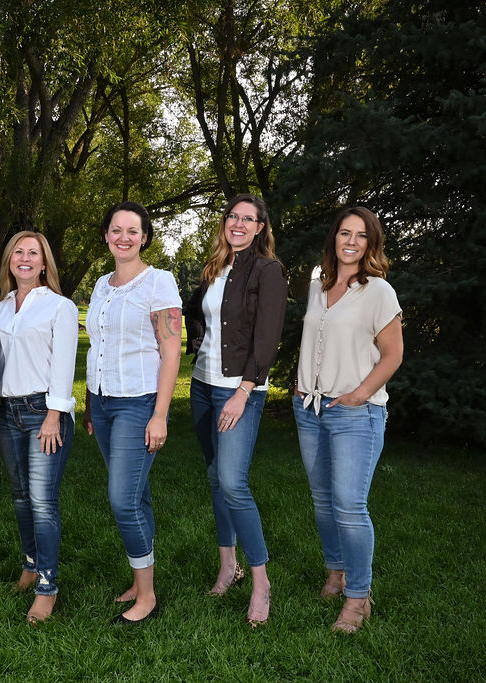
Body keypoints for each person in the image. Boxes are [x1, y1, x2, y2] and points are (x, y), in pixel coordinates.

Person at [293, 206, 403, 634]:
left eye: (361, 235)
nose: (351, 241)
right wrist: (301, 385)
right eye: (344, 233)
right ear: (334, 239)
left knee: (350, 506)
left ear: (371, 243)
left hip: (356, 413)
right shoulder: (317, 285)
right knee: (323, 502)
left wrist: (358, 394)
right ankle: (336, 574)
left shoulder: (378, 291)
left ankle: (359, 598)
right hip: (310, 410)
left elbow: (393, 354)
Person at [184, 194, 287, 627]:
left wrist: (245, 391)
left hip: (239, 392)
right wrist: (184, 337)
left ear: (261, 227)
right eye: (233, 217)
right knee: (214, 478)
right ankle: (229, 566)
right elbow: (190, 312)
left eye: (248, 219)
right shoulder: (214, 269)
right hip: (203, 388)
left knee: (233, 482)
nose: (239, 224)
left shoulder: (268, 271)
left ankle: (261, 582)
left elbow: (267, 336)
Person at [84, 201, 182, 624]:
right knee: (135, 496)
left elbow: (172, 350)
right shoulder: (102, 285)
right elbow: (98, 348)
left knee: (122, 500)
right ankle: (140, 581)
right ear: (106, 235)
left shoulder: (159, 282)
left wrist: (160, 414)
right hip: (103, 403)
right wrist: (91, 405)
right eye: (116, 229)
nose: (123, 237)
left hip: (139, 404)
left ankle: (148, 597)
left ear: (145, 237)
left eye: (133, 231)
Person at [0, 231, 78, 625]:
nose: (25, 259)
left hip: (44, 411)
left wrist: (54, 415)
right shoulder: (1, 308)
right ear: (10, 260)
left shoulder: (60, 307)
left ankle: (47, 586)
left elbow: (63, 364)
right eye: (18, 252)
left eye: (33, 253)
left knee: (43, 501)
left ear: (45, 264)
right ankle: (29, 564)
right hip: (7, 412)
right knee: (21, 497)